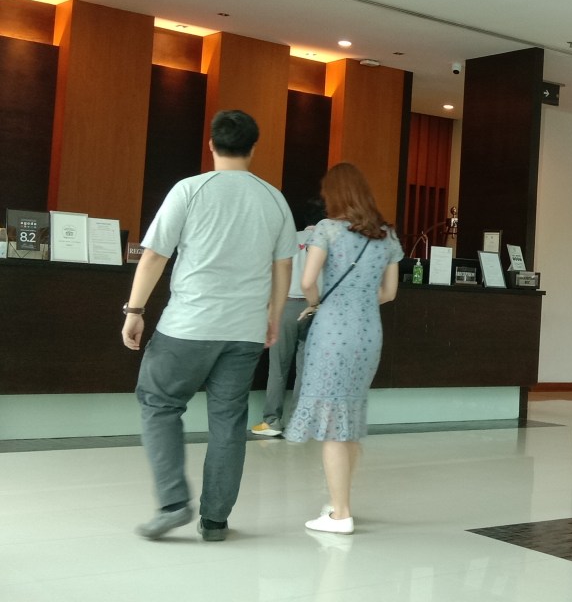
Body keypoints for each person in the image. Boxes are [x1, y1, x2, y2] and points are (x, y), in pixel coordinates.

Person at [121, 110, 295, 542]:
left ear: (212, 144)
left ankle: (173, 503)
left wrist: (134, 310)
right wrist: (273, 317)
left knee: (159, 403)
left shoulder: (190, 189)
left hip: (188, 326)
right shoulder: (274, 199)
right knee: (228, 421)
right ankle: (215, 520)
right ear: (253, 148)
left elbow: (155, 255)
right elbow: (283, 266)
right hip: (244, 331)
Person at [284, 162, 403, 534]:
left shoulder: (327, 229)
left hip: (332, 332)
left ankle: (341, 514)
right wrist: (360, 301)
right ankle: (340, 502)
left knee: (333, 426)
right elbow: (389, 293)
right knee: (348, 417)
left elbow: (307, 281)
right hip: (368, 333)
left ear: (333, 194)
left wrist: (317, 303)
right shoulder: (387, 235)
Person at [251, 199, 326, 437]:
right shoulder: (330, 242)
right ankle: (299, 424)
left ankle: (272, 421)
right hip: (317, 308)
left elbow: (273, 272)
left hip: (286, 306)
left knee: (278, 368)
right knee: (307, 369)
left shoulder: (290, 239)